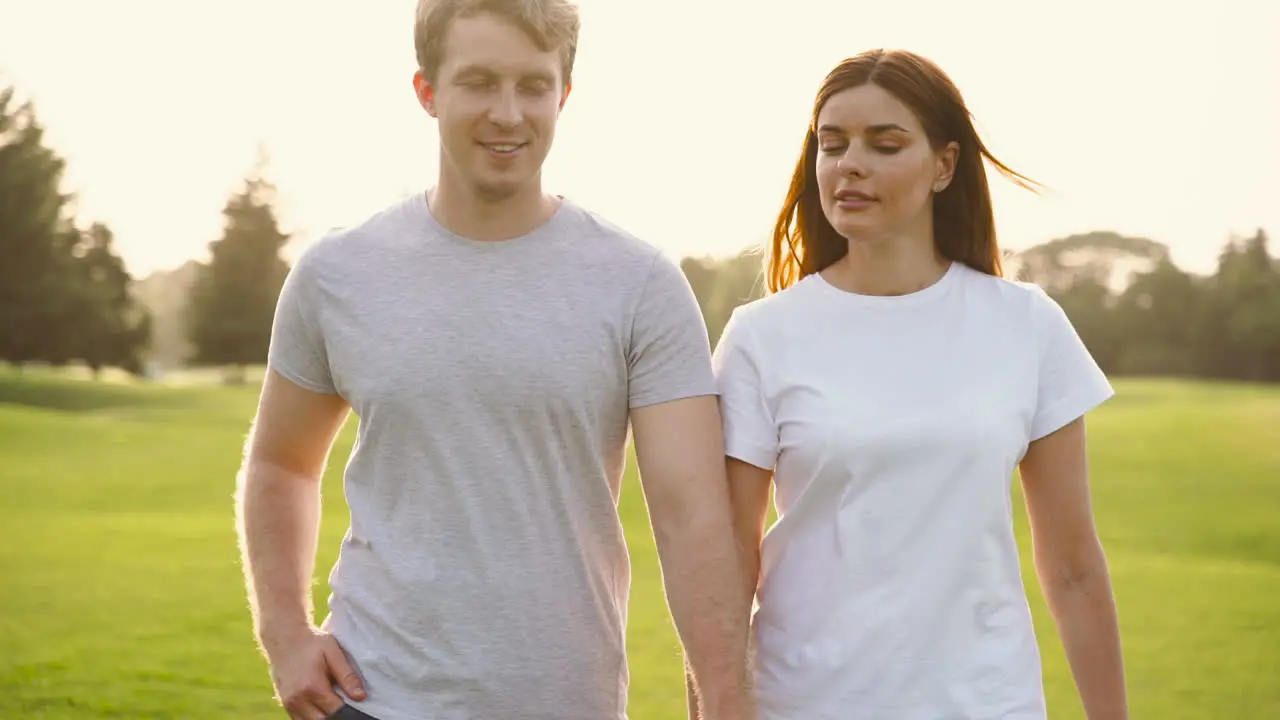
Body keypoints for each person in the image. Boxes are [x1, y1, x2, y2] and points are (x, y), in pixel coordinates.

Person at [234, 1, 755, 718]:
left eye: (533, 85)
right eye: (478, 82)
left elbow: (692, 517)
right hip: (373, 699)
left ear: (564, 95)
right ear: (427, 91)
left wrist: (725, 703)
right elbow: (281, 465)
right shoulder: (337, 273)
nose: (508, 114)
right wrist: (286, 633)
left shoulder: (640, 284)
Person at [710, 49, 1129, 720]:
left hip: (988, 703)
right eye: (832, 143)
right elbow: (726, 561)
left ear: (945, 165)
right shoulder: (762, 337)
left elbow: (1074, 563)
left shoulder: (1025, 325)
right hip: (807, 702)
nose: (850, 163)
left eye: (885, 144)